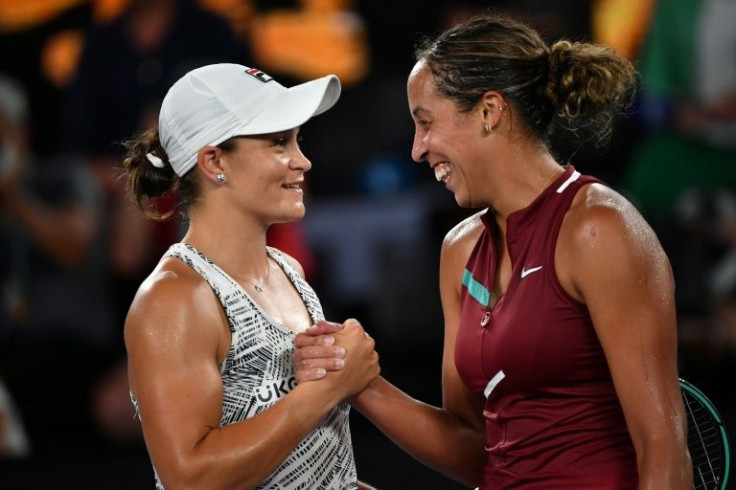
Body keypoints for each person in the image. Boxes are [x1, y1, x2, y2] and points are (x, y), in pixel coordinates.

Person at [293, 14, 693, 489]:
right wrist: (358, 383)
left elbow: (662, 448)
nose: (417, 150)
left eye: (426, 123)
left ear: (489, 111)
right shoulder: (459, 251)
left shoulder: (598, 229)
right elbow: (471, 449)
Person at [122, 63, 379, 489]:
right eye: (280, 142)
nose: (303, 161)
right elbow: (190, 478)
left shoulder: (289, 272)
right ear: (214, 160)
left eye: (298, 141)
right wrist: (325, 392)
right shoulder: (172, 300)